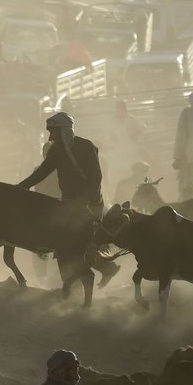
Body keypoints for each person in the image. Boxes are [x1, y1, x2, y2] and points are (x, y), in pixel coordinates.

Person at [17, 112, 119, 287]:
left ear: (63, 131)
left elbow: (96, 177)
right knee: (65, 242)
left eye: (53, 132)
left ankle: (81, 281)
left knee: (82, 242)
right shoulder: (57, 150)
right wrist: (21, 186)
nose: (50, 136)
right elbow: (43, 171)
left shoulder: (86, 147)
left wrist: (85, 200)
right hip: (69, 202)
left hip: (90, 203)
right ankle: (88, 276)